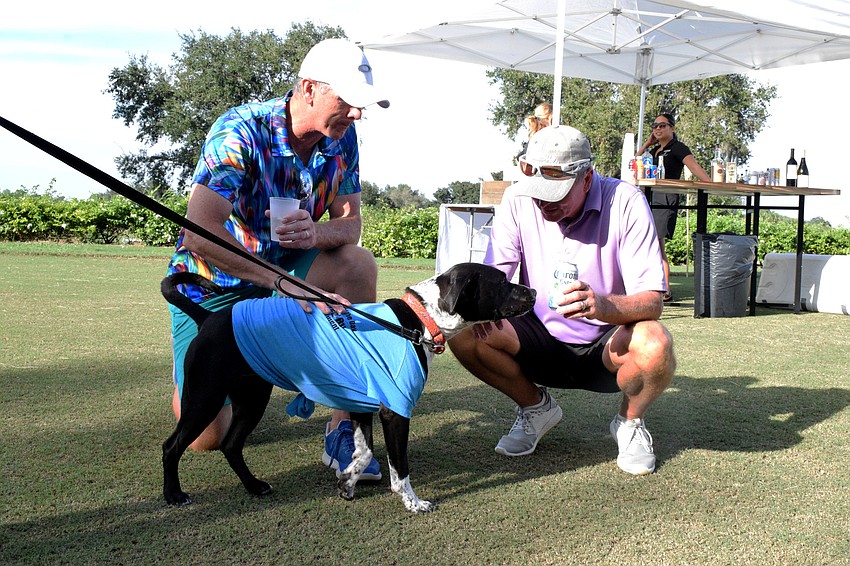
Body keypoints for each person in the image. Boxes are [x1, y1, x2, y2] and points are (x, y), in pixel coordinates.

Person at [166, 38, 389, 481]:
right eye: (347, 101)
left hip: (290, 274)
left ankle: (343, 431)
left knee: (358, 264)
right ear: (309, 89)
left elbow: (351, 224)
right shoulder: (240, 130)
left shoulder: (343, 138)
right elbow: (198, 232)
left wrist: (316, 232)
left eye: (362, 105)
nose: (358, 114)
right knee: (205, 437)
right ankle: (210, 371)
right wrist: (278, 281)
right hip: (214, 284)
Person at [448, 124, 676, 475]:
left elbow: (652, 302)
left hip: (606, 343)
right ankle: (536, 409)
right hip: (536, 335)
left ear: (587, 178)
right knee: (463, 330)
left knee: (656, 342)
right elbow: (496, 277)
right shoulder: (518, 199)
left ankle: (629, 424)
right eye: (537, 191)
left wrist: (601, 305)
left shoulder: (626, 200)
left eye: (554, 193)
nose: (542, 202)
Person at [637, 113, 710, 301]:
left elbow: (693, 167)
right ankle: (652, 287)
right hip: (649, 199)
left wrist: (710, 183)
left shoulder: (678, 148)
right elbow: (635, 163)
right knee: (649, 243)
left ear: (672, 128)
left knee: (657, 243)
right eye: (655, 126)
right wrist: (647, 143)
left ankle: (665, 290)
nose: (658, 129)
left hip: (666, 199)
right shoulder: (653, 151)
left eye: (662, 125)